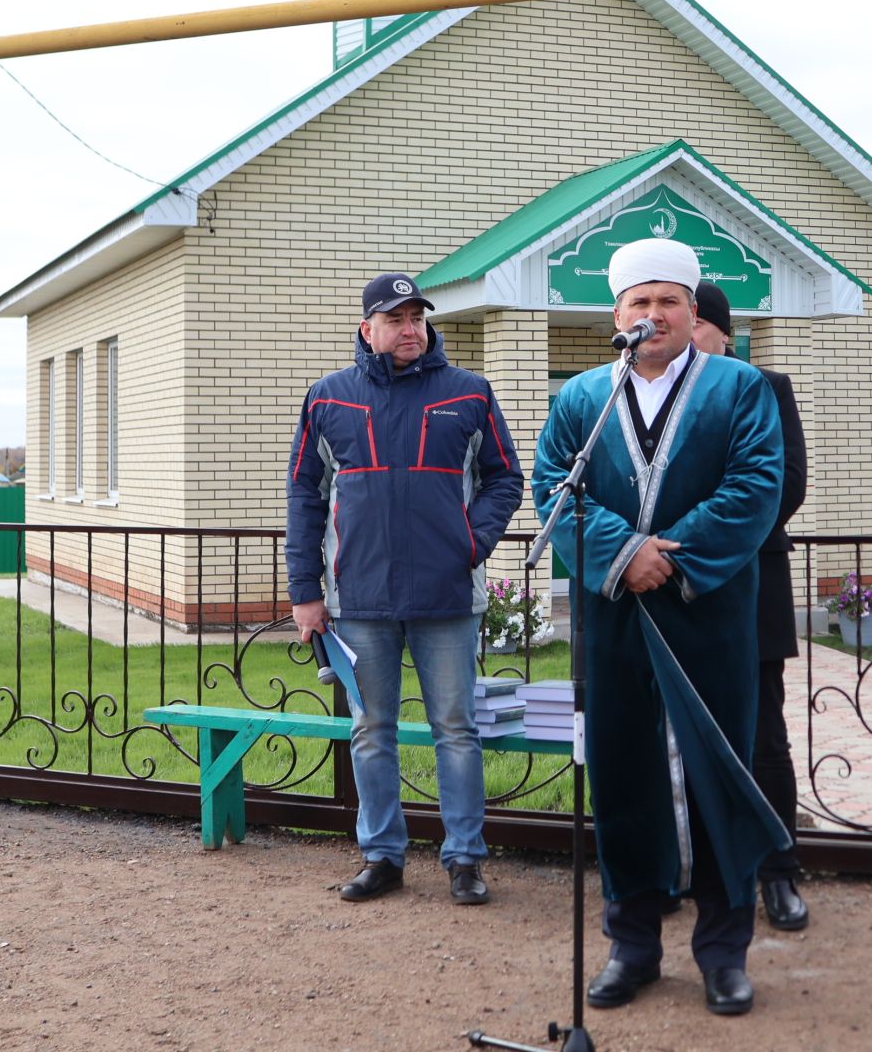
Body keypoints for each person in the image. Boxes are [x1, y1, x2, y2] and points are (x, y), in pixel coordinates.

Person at [532, 238, 787, 1018]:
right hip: (613, 621)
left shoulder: (741, 389)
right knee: (622, 774)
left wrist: (670, 561)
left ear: (691, 308)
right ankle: (633, 944)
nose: (653, 315)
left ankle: (722, 950)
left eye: (668, 302)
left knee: (719, 768)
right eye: (638, 303)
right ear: (616, 315)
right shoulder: (583, 398)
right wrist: (620, 552)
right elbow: (552, 485)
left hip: (707, 614)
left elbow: (757, 484)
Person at [286, 271, 524, 905]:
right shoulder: (328, 397)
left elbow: (506, 479)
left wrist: (471, 544)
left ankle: (466, 859)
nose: (410, 328)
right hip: (359, 599)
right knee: (372, 731)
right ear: (368, 328)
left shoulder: (469, 393)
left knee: (456, 728)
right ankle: (382, 856)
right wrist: (305, 592)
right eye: (395, 318)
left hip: (447, 597)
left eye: (417, 317)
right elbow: (305, 498)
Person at [690, 281, 810, 931]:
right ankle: (691, 867)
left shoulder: (765, 387)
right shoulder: (649, 393)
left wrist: (697, 543)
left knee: (763, 735)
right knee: (678, 735)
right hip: (670, 593)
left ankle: (778, 871)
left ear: (720, 331)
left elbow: (783, 487)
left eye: (694, 323)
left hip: (751, 584)